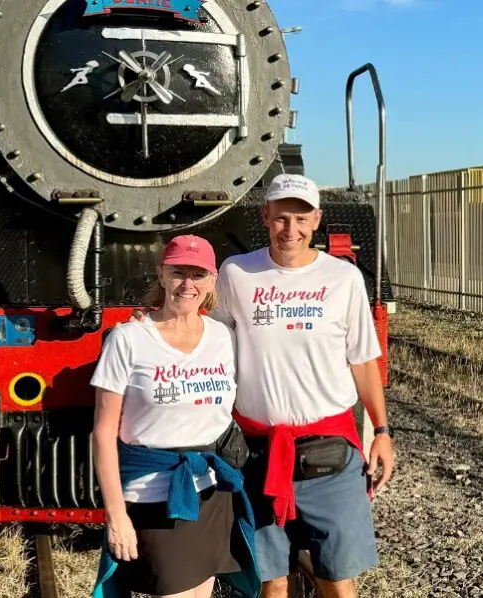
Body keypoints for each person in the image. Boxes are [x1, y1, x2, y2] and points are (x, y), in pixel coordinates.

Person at [133, 174, 395, 598]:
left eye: (301, 218)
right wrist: (150, 329)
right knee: (271, 579)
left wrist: (381, 431)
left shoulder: (343, 278)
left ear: (316, 220)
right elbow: (202, 335)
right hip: (257, 452)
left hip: (328, 449)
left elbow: (363, 361)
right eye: (281, 218)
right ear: (265, 216)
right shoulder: (238, 273)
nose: (290, 229)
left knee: (337, 579)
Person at [90, 235, 261, 598]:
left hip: (212, 495)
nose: (187, 284)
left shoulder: (222, 336)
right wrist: (116, 516)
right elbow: (103, 435)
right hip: (155, 499)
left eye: (198, 274)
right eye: (178, 272)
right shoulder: (128, 339)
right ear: (162, 275)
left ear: (212, 280)